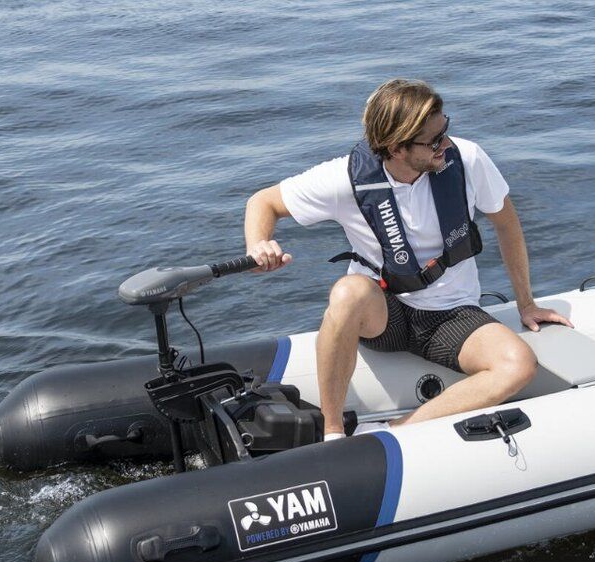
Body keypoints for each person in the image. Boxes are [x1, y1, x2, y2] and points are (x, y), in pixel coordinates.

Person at [243, 78, 572, 440]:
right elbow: (264, 201)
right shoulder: (344, 178)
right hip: (384, 315)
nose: (446, 144)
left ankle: (394, 431)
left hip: (453, 314)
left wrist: (527, 303)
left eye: (444, 130)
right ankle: (333, 432)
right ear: (397, 148)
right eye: (434, 141)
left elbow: (506, 223)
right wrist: (259, 245)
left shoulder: (467, 159)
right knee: (348, 291)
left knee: (518, 365)